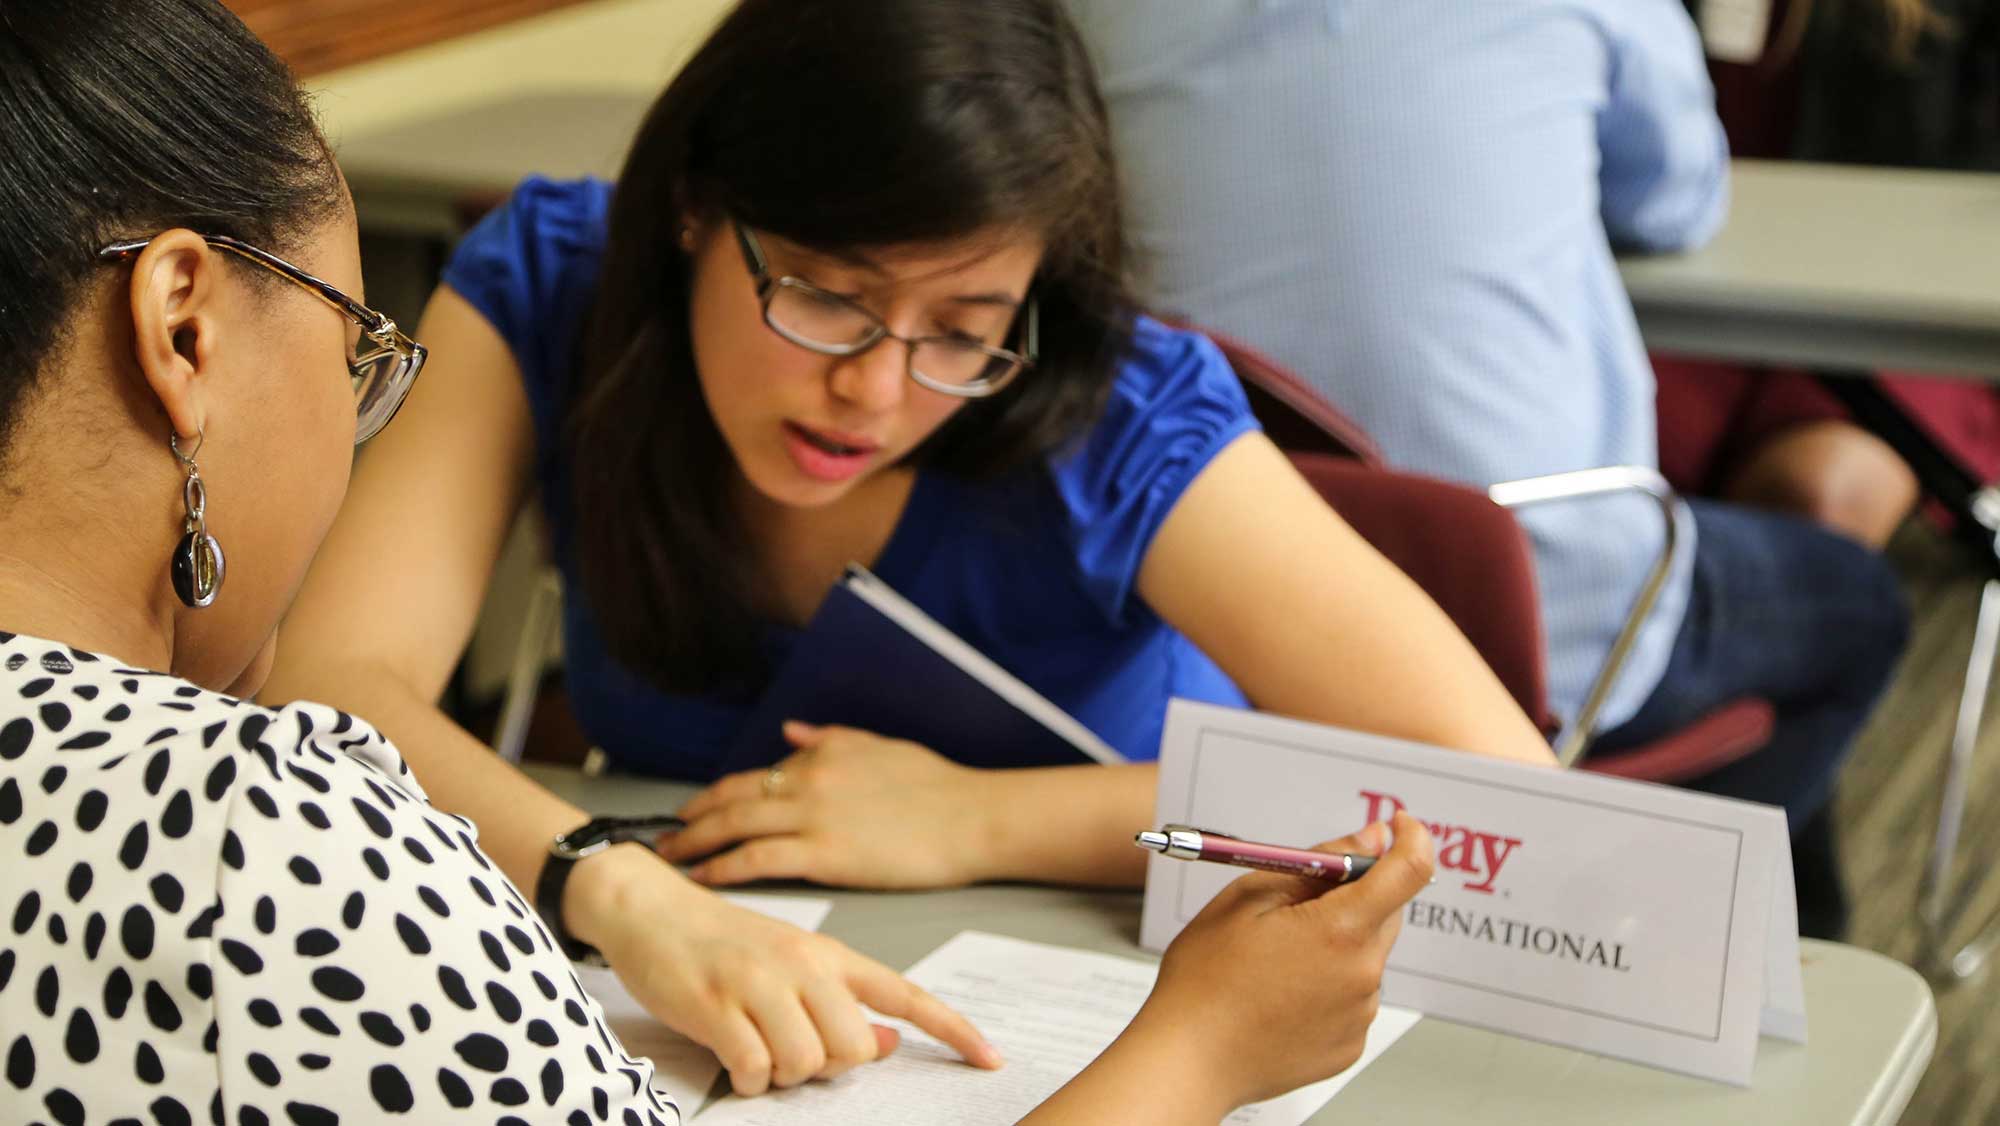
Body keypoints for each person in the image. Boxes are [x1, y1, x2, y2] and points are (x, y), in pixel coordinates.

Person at [0, 1, 1443, 1119]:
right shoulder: (564, 290)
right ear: (694, 209)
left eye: (963, 326)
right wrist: (616, 888)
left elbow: (1482, 789)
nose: (875, 389)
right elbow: (339, 679)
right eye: (822, 295)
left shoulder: (1117, 417)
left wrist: (986, 820)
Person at [1066, 0, 1911, 936]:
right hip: (1550, 636)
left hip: (1205, 620)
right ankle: (1701, 932)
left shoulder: (1088, 17)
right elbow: (1676, 203)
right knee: (1858, 605)